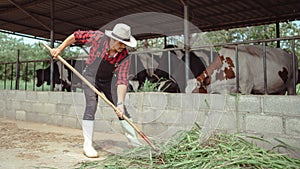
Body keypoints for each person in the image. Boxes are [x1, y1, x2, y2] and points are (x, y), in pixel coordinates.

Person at [50, 23, 141, 158]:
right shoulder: (98, 38)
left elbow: (122, 80)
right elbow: (76, 36)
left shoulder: (124, 56)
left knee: (122, 110)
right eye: (122, 44)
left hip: (108, 81)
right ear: (114, 39)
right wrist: (60, 49)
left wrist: (120, 103)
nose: (123, 47)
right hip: (90, 77)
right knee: (91, 105)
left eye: (125, 44)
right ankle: (87, 145)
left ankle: (133, 142)